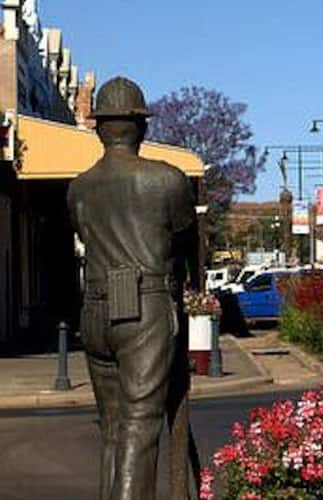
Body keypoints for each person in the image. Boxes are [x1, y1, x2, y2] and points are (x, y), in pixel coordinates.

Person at [67, 76, 198, 500]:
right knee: (140, 429)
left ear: (99, 127)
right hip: (145, 307)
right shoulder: (166, 180)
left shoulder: (79, 189)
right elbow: (183, 236)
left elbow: (85, 235)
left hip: (96, 310)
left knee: (114, 430)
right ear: (142, 126)